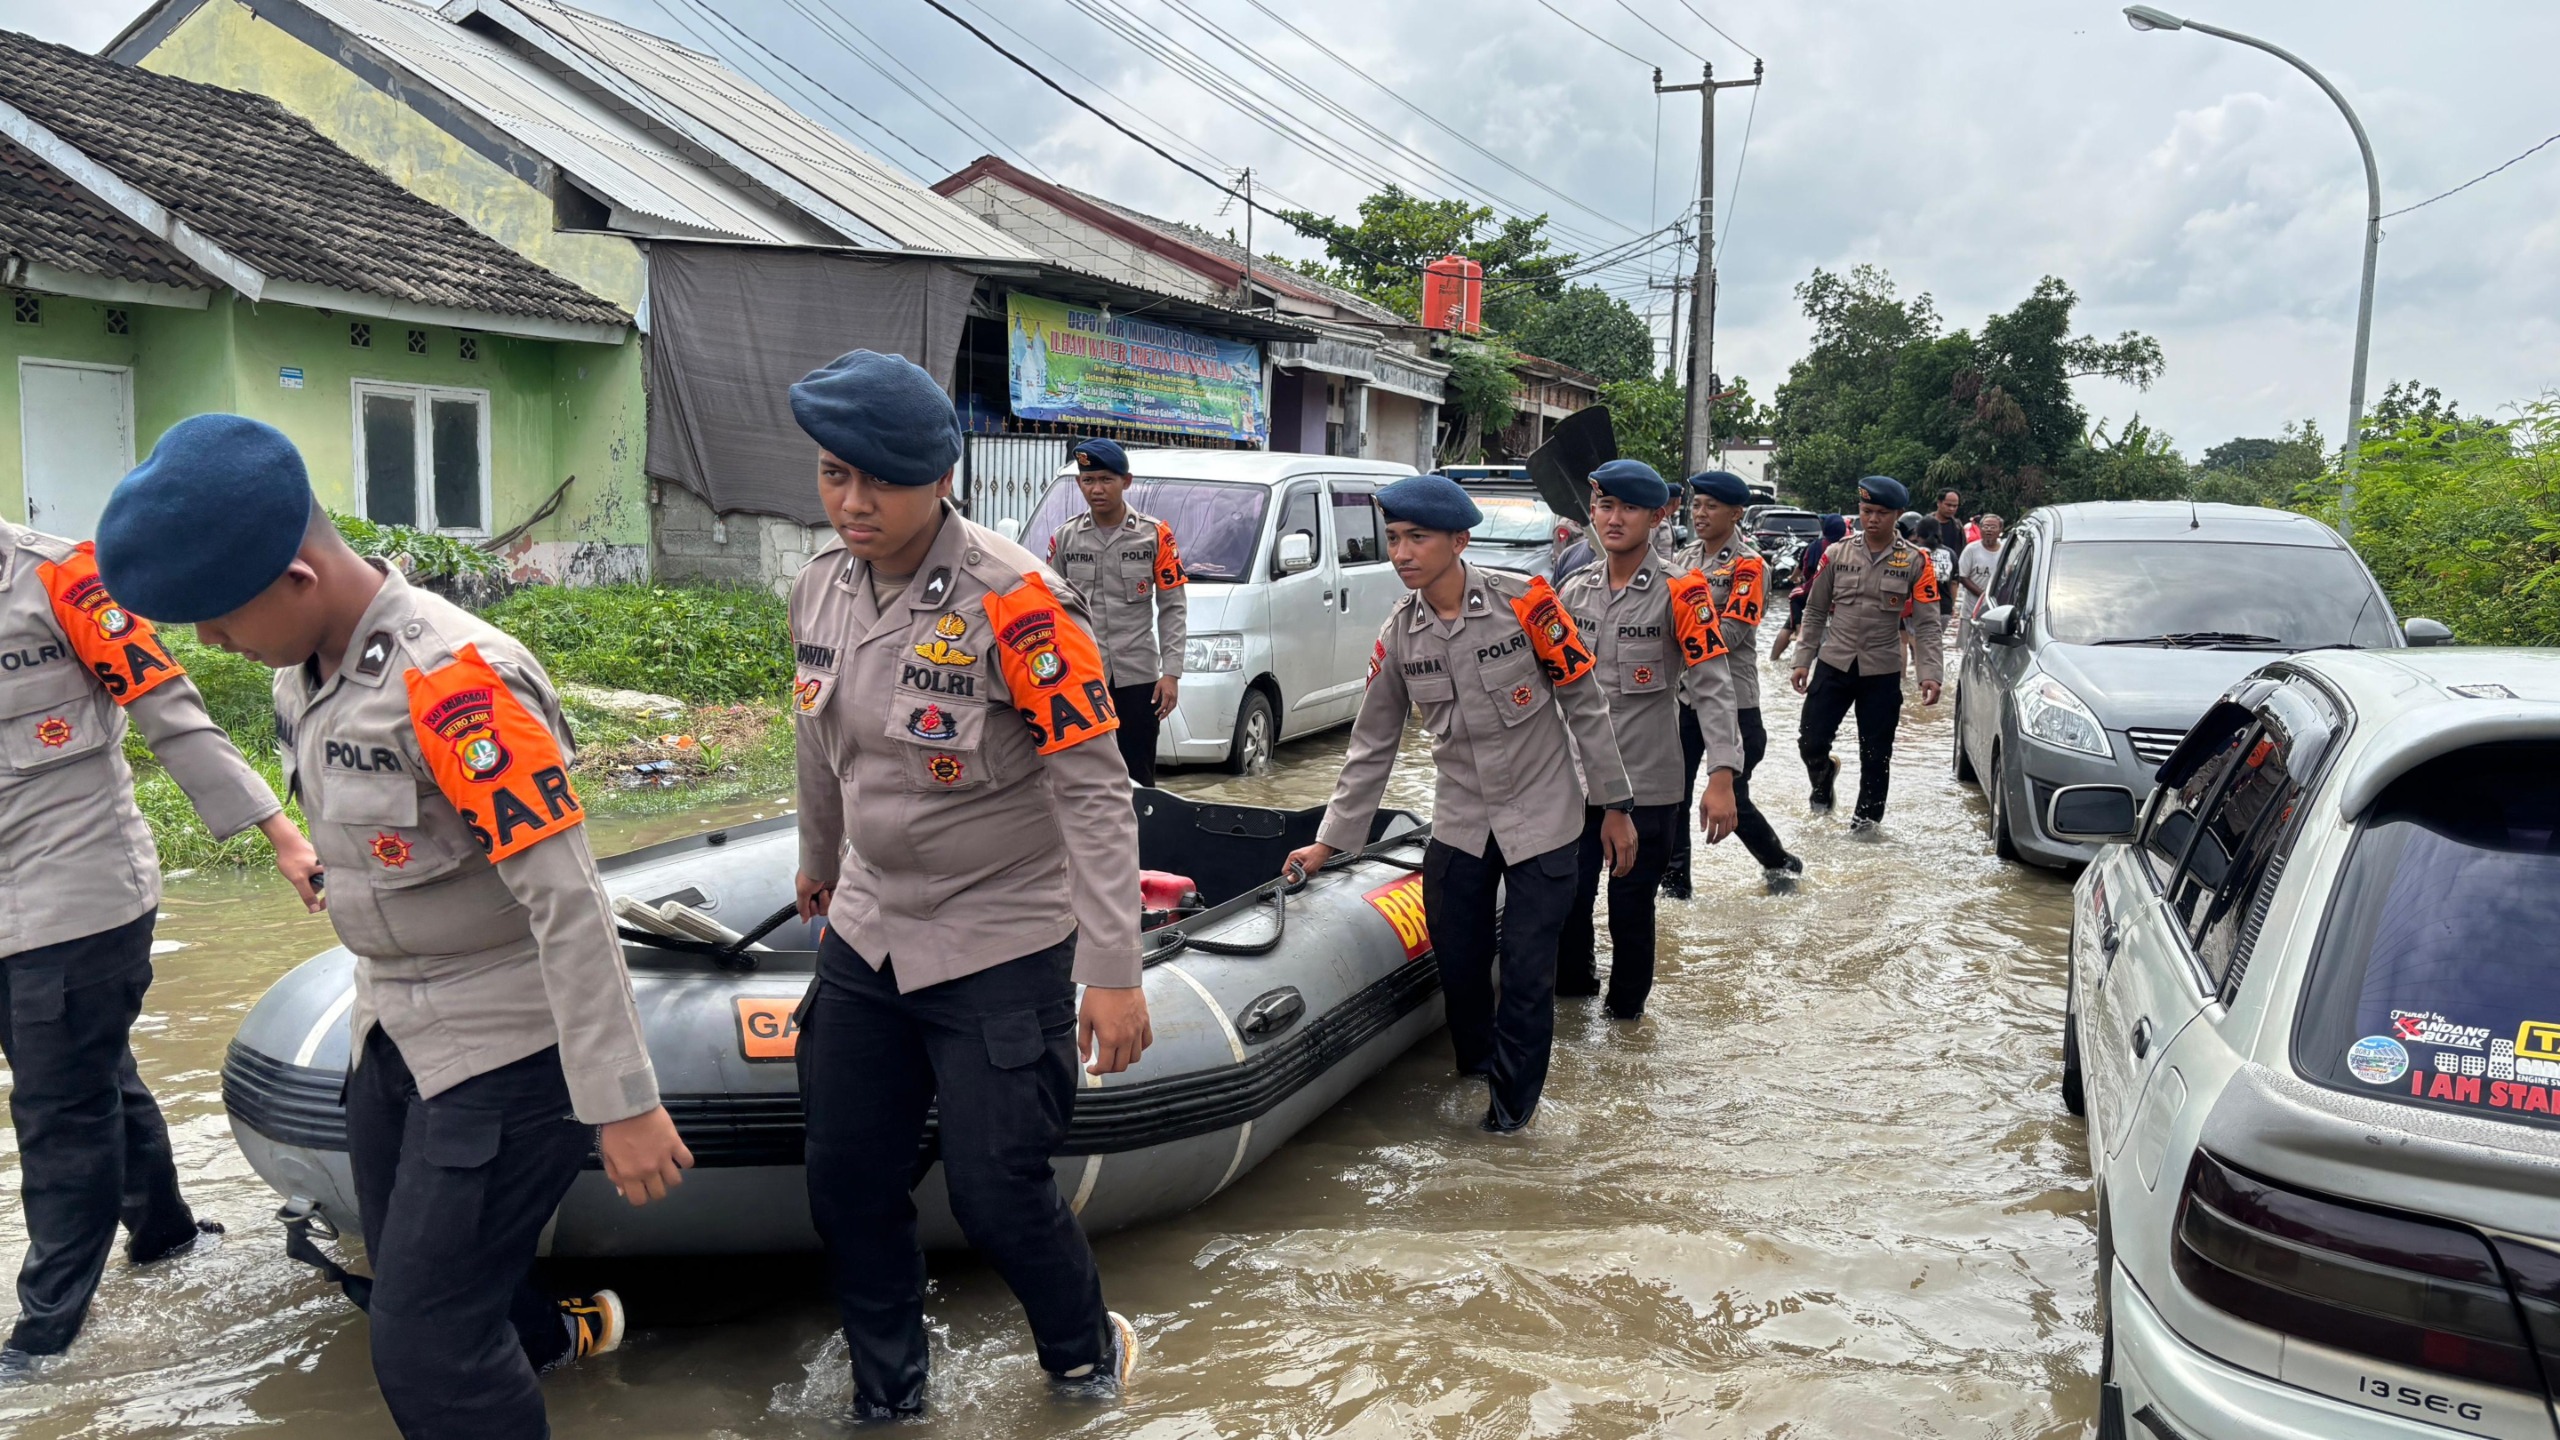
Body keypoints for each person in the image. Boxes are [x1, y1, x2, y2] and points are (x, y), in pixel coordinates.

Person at [95, 414, 691, 1438]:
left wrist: (623, 1100)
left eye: (219, 616)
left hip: (509, 1043)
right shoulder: (307, 672)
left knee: (425, 1347)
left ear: (297, 577)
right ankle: (557, 1342)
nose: (210, 645)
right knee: (419, 1281)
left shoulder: (455, 684)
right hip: (394, 1026)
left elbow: (568, 897)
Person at [785, 351, 1151, 1417]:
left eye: (879, 482)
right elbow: (819, 745)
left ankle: (1085, 1359)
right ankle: (888, 1397)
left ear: (939, 476)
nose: (853, 504)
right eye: (832, 476)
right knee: (846, 1183)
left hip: (1000, 934)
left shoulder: (1021, 604)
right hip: (868, 927)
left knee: (997, 1193)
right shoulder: (818, 586)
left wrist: (1114, 967)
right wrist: (817, 861)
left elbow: (1093, 790)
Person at [0, 506, 321, 1382]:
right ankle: (166, 1233)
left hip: (77, 896)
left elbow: (168, 710)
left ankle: (45, 1333)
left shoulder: (64, 578)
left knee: (56, 1107)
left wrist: (280, 834)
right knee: (86, 1070)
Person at [1278, 474, 1633, 1132]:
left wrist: (1614, 806)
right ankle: (1476, 1072)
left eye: (1417, 538)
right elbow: (1371, 744)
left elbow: (1585, 701)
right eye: (1394, 539)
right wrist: (1331, 841)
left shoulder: (1527, 604)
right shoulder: (1401, 636)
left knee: (1527, 975)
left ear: (1459, 540)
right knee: (1460, 961)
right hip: (1465, 823)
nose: (1402, 552)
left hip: (1545, 820)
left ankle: (1509, 1122)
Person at [1554, 460, 1739, 1018]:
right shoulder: (1572, 589)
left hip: (1648, 786)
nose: (1614, 519)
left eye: (1629, 508)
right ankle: (1574, 1009)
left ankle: (1626, 1024)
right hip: (1576, 783)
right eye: (1605, 506)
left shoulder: (1683, 592)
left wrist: (1723, 776)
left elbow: (1713, 686)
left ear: (1659, 516)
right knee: (1568, 903)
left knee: (1631, 909)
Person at [1665, 470, 1805, 897]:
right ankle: (1676, 888)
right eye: (1697, 505)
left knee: (1734, 799)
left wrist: (1678, 634)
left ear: (1736, 513)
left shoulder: (1748, 566)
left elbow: (1731, 634)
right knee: (1673, 799)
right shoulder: (1685, 559)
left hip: (1735, 702)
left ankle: (1781, 865)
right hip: (1685, 697)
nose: (1700, 514)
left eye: (1711, 506)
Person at [1790, 475, 1944, 836]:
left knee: (1876, 755)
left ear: (1898, 515)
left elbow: (1928, 623)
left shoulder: (1917, 561)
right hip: (1834, 662)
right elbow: (1814, 610)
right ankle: (1824, 777)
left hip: (1882, 669)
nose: (1872, 519)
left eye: (1881, 512)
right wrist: (1802, 659)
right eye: (1866, 511)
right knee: (1810, 740)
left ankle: (1865, 826)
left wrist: (1930, 673)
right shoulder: (1836, 553)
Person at [1045, 437, 1185, 786]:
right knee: (1084, 775)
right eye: (1088, 480)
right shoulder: (1065, 539)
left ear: (1126, 481)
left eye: (1106, 479)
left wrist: (1171, 674)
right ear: (1079, 483)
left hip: (1137, 678)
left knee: (1138, 775)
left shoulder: (1155, 536)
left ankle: (1141, 841)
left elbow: (1172, 607)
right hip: (1081, 677)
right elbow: (1051, 611)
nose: (1097, 489)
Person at [1770, 513, 1844, 663]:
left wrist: (1794, 579)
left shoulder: (1815, 546)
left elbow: (1805, 569)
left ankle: (1779, 652)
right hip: (1840, 597)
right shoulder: (1848, 548)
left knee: (1793, 600)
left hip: (1814, 594)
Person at [1914, 489, 1965, 624]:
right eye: (1948, 505)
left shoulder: (1957, 526)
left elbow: (1960, 551)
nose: (1952, 509)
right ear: (1939, 503)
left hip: (1946, 577)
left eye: (1955, 506)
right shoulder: (1924, 523)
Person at [1957, 513, 2006, 644]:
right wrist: (1983, 596)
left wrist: (1993, 598)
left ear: (2001, 530)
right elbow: (1962, 576)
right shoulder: (1971, 549)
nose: (1989, 530)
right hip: (1971, 608)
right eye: (1985, 526)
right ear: (1980, 529)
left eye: (1993, 527)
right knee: (1967, 647)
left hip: (1996, 609)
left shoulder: (2006, 551)